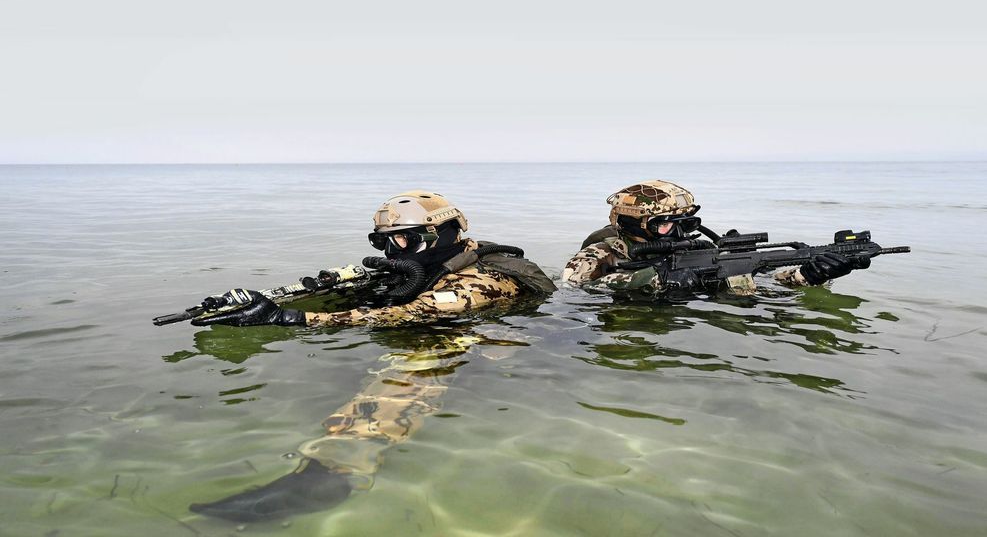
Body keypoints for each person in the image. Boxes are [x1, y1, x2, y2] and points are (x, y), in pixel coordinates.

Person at [188, 190, 555, 522]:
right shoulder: (425, 268)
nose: (393, 252)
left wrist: (293, 319)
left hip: (500, 345)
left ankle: (338, 468)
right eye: (385, 242)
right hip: (448, 326)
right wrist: (265, 303)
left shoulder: (481, 280)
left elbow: (412, 313)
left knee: (425, 359)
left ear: (438, 235)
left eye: (403, 240)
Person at [563, 180, 870, 297]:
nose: (679, 232)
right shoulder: (599, 253)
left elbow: (758, 281)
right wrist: (654, 278)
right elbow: (572, 288)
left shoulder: (696, 248)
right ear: (635, 223)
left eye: (685, 222)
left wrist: (809, 275)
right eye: (665, 224)